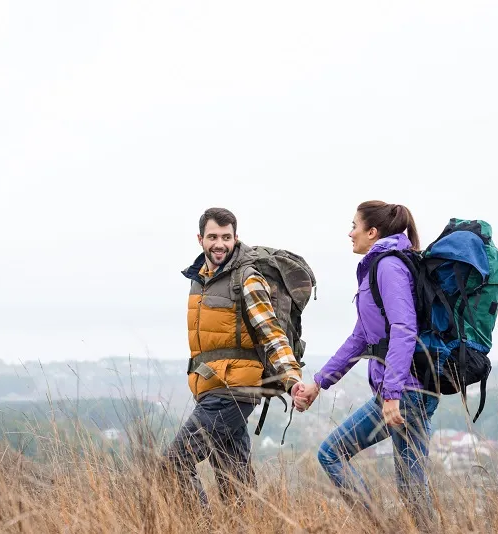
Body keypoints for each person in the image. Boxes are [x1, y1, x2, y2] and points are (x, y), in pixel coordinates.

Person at [294, 200, 438, 526]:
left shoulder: (388, 267)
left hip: (406, 390)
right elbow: (361, 338)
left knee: (332, 454)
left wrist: (392, 394)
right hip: (413, 388)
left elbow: (404, 329)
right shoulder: (379, 268)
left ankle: (380, 528)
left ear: (372, 232)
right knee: (412, 487)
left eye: (355, 226)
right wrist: (319, 382)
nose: (350, 233)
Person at [163, 207, 306, 508]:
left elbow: (271, 332)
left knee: (174, 462)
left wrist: (292, 378)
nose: (220, 244)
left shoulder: (247, 277)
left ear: (236, 238)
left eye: (226, 237)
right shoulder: (199, 280)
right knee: (234, 481)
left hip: (234, 390)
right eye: (213, 236)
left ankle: (199, 528)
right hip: (213, 387)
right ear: (200, 239)